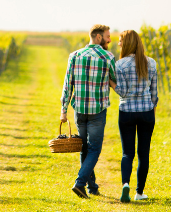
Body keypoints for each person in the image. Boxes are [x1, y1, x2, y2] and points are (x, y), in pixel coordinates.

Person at [59, 24, 117, 199]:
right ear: (98, 37)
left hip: (80, 110)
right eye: (108, 36)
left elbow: (68, 84)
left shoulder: (74, 56)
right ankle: (79, 183)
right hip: (97, 111)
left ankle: (92, 187)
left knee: (84, 148)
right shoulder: (108, 57)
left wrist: (63, 110)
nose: (109, 39)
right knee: (94, 150)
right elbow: (116, 82)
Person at [112, 29, 158, 203]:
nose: (118, 44)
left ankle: (125, 185)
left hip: (127, 113)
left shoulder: (120, 65)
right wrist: (151, 111)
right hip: (147, 112)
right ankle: (139, 193)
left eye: (120, 40)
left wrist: (111, 83)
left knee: (127, 153)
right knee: (143, 154)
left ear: (127, 43)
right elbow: (154, 93)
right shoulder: (151, 63)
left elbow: (122, 92)